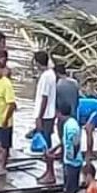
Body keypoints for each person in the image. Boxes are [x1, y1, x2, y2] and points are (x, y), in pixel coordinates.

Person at [34, 50, 59, 184]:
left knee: (46, 145)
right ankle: (48, 171)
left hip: (45, 115)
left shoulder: (45, 76)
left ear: (37, 63)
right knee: (46, 143)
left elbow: (44, 97)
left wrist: (39, 116)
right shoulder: (51, 74)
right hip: (49, 114)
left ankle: (50, 173)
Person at [58, 101, 85, 193]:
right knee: (68, 191)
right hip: (69, 161)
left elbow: (75, 143)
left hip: (72, 163)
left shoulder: (71, 126)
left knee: (71, 192)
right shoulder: (69, 123)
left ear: (60, 113)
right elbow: (65, 142)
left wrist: (71, 156)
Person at [55, 60, 81, 144]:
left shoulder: (58, 84)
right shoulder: (75, 83)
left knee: (62, 135)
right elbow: (77, 98)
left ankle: (63, 152)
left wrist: (57, 112)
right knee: (74, 135)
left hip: (63, 114)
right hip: (74, 113)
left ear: (57, 73)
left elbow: (57, 100)